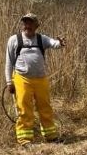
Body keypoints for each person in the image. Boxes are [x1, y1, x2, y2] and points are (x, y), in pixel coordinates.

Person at [5, 13, 66, 146]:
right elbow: (9, 62)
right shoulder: (14, 40)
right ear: (23, 24)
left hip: (41, 80)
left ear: (36, 25)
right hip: (22, 79)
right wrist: (9, 82)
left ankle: (51, 136)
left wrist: (60, 43)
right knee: (24, 109)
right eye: (25, 23)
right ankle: (25, 140)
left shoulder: (41, 39)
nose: (28, 26)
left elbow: (53, 43)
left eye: (31, 23)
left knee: (45, 108)